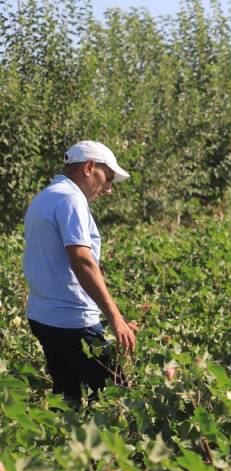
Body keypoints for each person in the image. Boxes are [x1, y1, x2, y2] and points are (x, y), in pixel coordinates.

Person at [22, 140, 138, 405]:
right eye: (108, 178)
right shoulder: (71, 199)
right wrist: (115, 318)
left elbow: (57, 265)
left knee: (67, 399)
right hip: (72, 322)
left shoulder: (46, 197)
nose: (108, 189)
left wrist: (114, 317)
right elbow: (82, 262)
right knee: (116, 400)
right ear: (89, 167)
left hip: (43, 317)